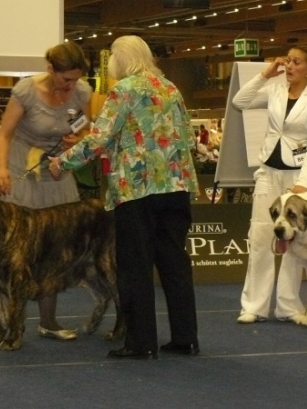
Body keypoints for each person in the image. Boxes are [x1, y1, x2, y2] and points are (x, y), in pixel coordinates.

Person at [49, 35, 199, 360]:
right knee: (175, 263)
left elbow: (99, 139)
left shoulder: (124, 89)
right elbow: (187, 134)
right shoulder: (170, 87)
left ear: (122, 58)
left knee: (135, 266)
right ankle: (185, 337)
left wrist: (63, 162)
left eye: (113, 56)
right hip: (177, 185)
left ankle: (141, 342)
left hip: (138, 188)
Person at [0, 41, 92, 342]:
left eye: (75, 79)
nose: (70, 85)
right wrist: (1, 170)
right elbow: (5, 135)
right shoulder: (26, 91)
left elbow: (87, 130)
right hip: (19, 172)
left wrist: (77, 141)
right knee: (3, 251)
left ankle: (48, 322)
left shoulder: (82, 92)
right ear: (51, 69)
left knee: (54, 248)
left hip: (57, 172)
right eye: (66, 79)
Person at [231, 45, 307, 324]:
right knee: (261, 237)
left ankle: (288, 306)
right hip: (269, 173)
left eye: (296, 62)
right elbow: (240, 101)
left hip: (299, 177)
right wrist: (265, 74)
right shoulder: (274, 90)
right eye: (287, 61)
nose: (289, 66)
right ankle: (254, 306)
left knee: (295, 244)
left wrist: (302, 184)